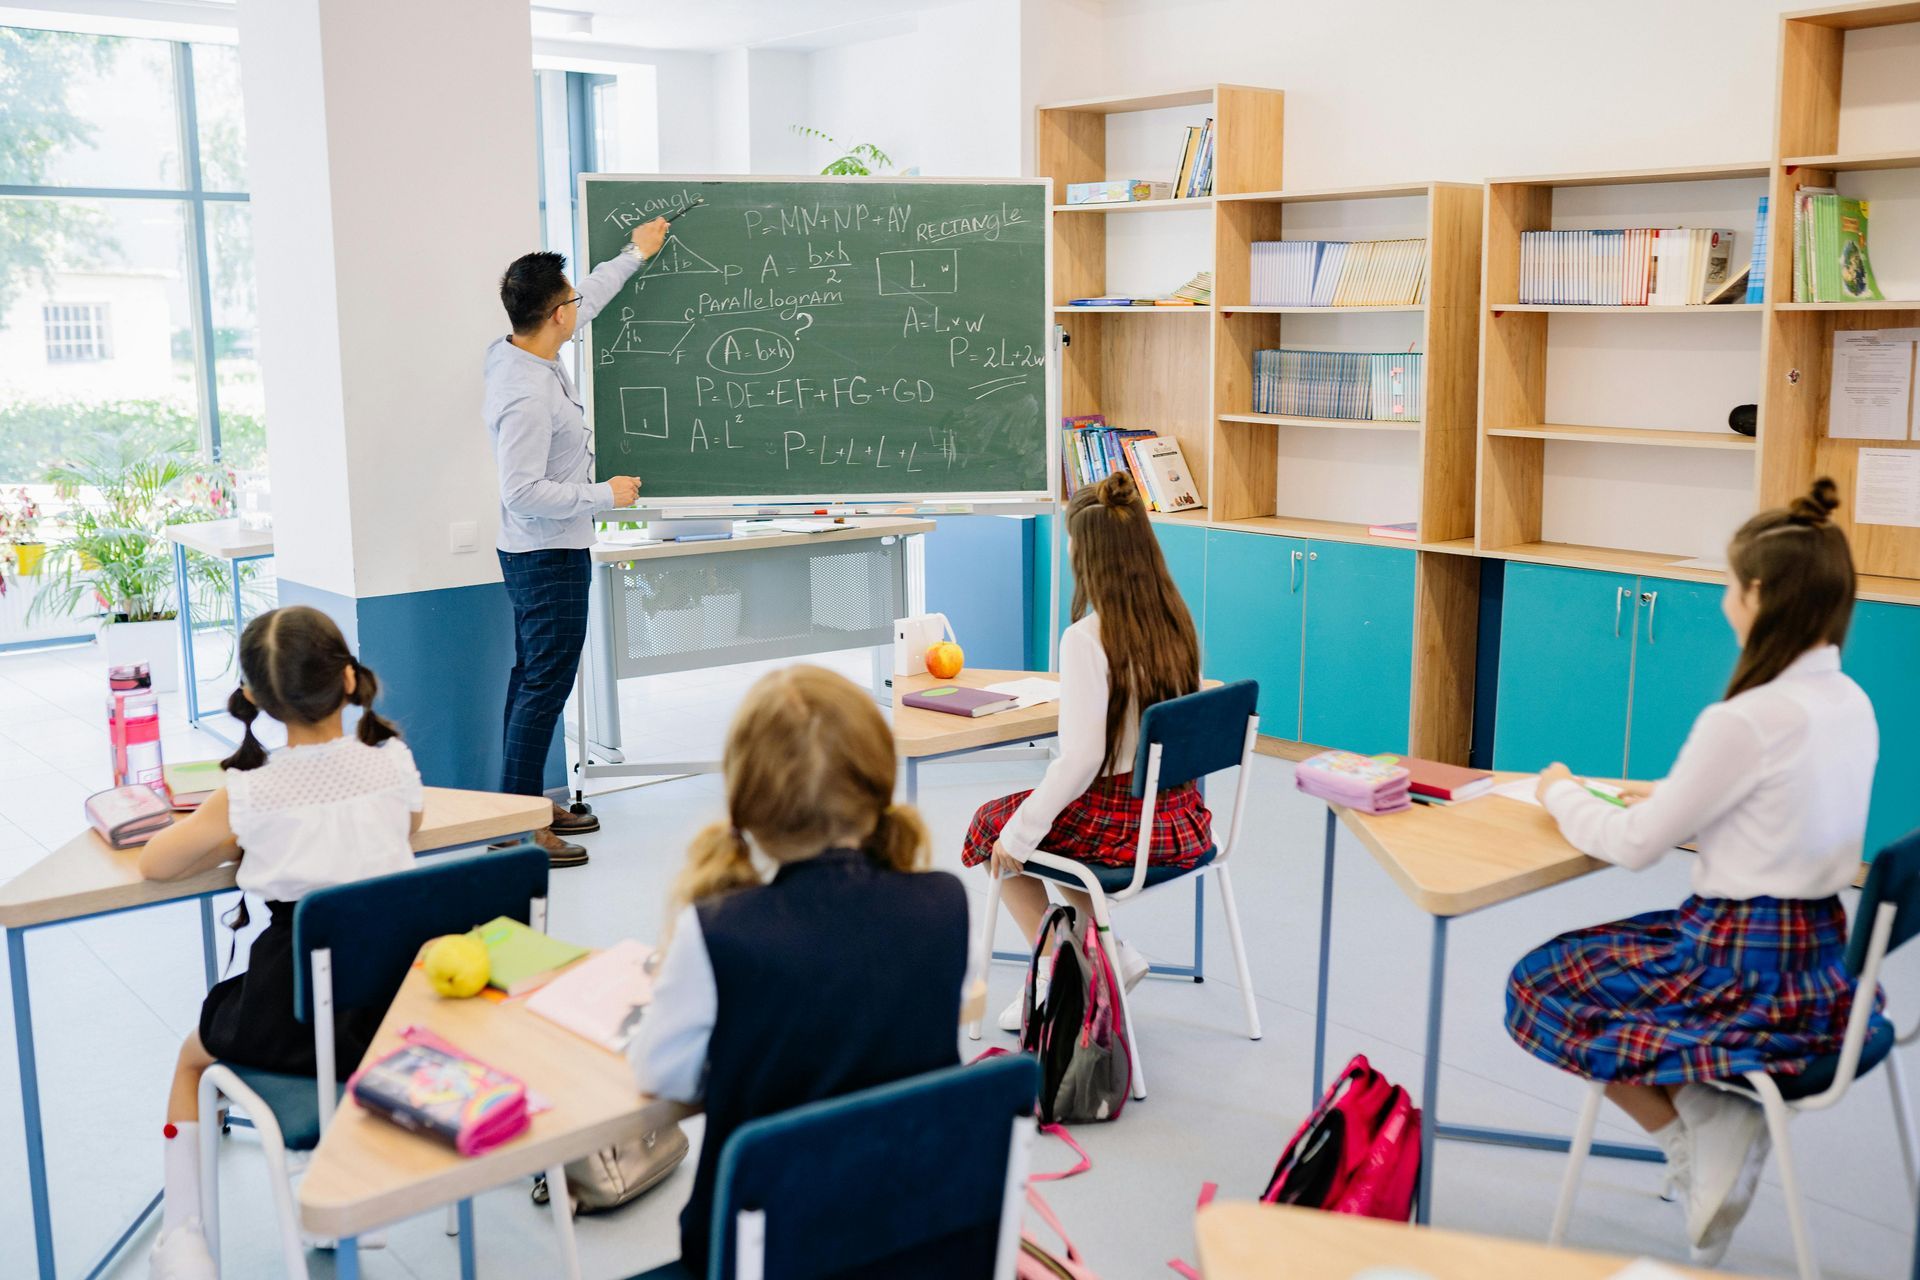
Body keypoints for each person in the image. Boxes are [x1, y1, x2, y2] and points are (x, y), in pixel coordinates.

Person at [1504, 479, 1882, 1265]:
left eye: (1728, 585)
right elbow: (1779, 808)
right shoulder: (1850, 701)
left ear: (1760, 597)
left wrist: (1557, 790)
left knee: (1540, 984)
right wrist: (1681, 795)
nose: (1722, 602)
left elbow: (1638, 846)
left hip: (1734, 964)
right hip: (1821, 966)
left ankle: (1691, 1138)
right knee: (1603, 968)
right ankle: (1709, 1110)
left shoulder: (1743, 718)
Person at [629, 665, 969, 1275]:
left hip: (764, 1257)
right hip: (915, 1244)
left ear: (745, 802)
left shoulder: (718, 930)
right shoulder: (945, 902)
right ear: (878, 784)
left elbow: (664, 1073)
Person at [138, 606, 424, 1279]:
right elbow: (408, 830)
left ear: (255, 702)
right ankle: (335, 1187)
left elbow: (156, 864)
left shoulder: (247, 791)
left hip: (289, 1017)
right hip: (393, 1015)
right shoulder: (393, 761)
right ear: (349, 681)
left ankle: (183, 1240)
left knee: (191, 1061)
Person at [961, 471, 1210, 1032]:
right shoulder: (1176, 622)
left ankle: (1061, 970)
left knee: (991, 829)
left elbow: (1078, 760)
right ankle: (1109, 953)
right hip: (1176, 816)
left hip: (1123, 825)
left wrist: (1017, 837)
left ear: (1089, 555)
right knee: (1062, 826)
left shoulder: (1086, 639)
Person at [485, 215, 669, 867]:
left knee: (533, 678)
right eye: (569, 301)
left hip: (542, 550)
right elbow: (521, 491)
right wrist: (604, 495)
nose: (576, 306)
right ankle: (522, 826)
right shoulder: (526, 396)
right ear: (553, 316)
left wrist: (635, 255)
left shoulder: (522, 347)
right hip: (546, 553)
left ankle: (524, 802)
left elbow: (587, 295)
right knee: (544, 686)